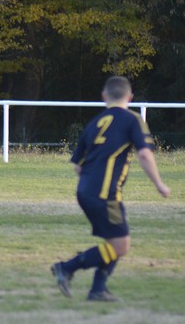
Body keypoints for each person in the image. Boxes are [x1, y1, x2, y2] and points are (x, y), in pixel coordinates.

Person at [51, 76, 171, 301]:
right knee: (121, 245)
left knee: (114, 241)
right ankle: (66, 268)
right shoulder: (132, 119)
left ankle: (98, 290)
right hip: (104, 193)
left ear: (104, 96)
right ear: (130, 97)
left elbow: (77, 166)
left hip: (85, 191)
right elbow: (145, 154)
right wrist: (159, 184)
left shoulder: (95, 123)